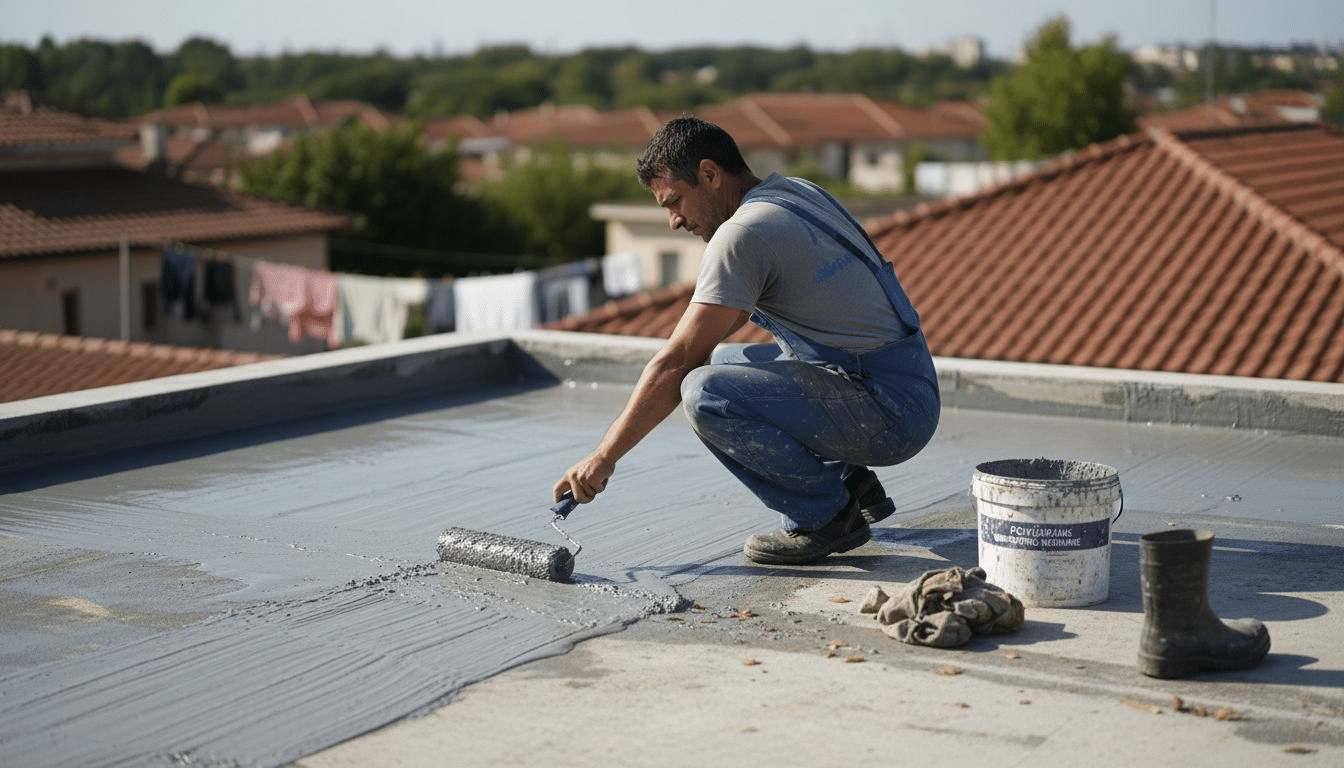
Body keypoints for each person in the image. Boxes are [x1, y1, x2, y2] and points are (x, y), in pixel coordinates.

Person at [554, 116, 940, 565]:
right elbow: (705, 344)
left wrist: (603, 458)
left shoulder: (743, 234)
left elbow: (676, 363)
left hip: (891, 413)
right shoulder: (793, 191)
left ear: (710, 175)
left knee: (706, 393)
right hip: (906, 382)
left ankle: (826, 518)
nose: (674, 221)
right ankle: (853, 483)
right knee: (726, 360)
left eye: (675, 201)